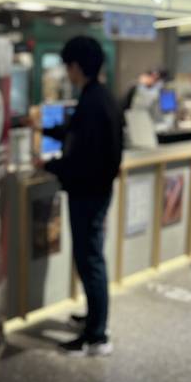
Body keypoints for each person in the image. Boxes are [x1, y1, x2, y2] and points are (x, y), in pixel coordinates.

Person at [33, 36, 123, 356]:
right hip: (96, 191)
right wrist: (44, 129)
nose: (67, 72)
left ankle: (96, 337)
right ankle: (94, 319)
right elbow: (78, 135)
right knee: (90, 258)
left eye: (68, 66)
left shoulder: (93, 102)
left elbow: (83, 157)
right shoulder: (100, 96)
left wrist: (50, 165)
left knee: (90, 260)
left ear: (77, 66)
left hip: (88, 194)